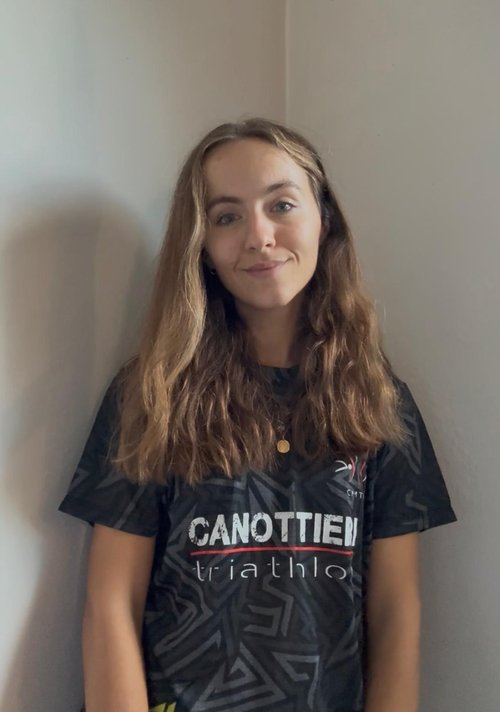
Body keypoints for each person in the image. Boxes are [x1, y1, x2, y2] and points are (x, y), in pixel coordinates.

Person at [59, 117, 457, 712]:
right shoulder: (150, 395)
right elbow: (111, 603)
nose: (259, 236)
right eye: (226, 217)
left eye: (282, 205)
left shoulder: (378, 399)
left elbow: (397, 610)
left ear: (324, 220)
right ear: (200, 245)